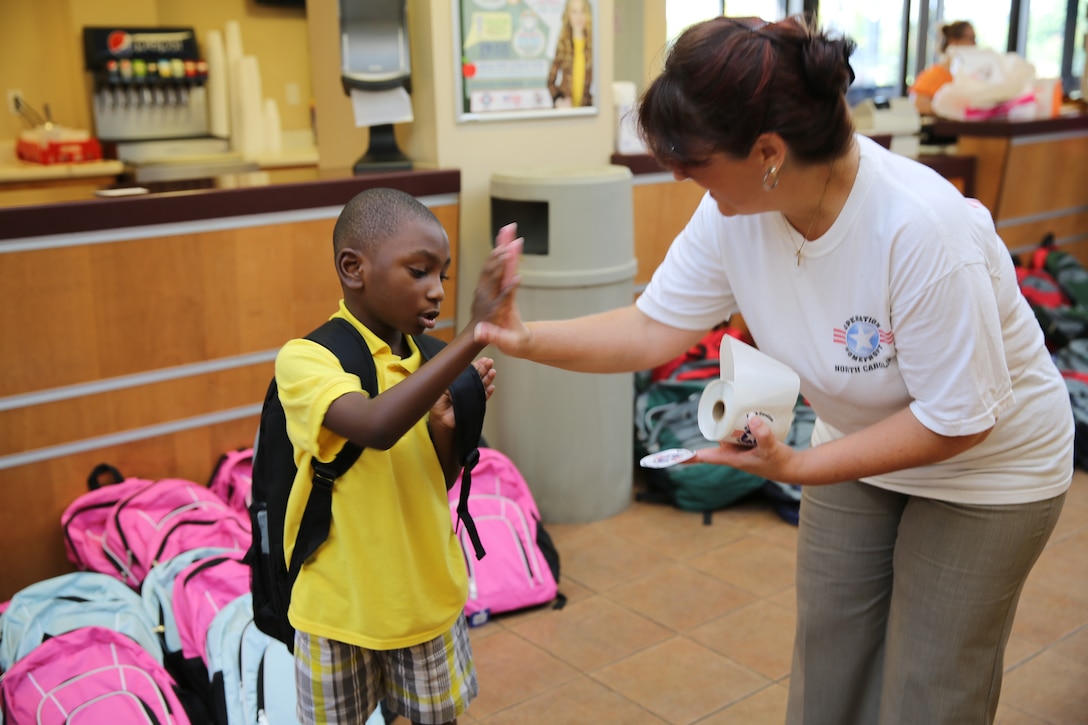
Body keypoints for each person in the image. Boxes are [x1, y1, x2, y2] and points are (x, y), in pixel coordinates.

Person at [476, 15, 1071, 725]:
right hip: (859, 440)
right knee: (829, 668)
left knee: (928, 688)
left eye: (691, 158)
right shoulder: (734, 212)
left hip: (988, 467)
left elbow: (956, 419)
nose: (678, 173)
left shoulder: (922, 229)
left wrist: (795, 468)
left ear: (768, 151)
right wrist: (523, 337)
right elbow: (650, 327)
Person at [279, 187, 520, 725]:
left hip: (424, 601)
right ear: (353, 268)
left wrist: (447, 426)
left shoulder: (433, 359)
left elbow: (441, 480)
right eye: (419, 272)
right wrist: (471, 337)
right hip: (337, 610)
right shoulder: (306, 359)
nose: (436, 292)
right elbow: (375, 427)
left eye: (444, 276)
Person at [910, 20, 977, 115]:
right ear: (954, 41)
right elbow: (917, 107)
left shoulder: (970, 75)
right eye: (970, 38)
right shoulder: (933, 75)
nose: (974, 44)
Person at [547, 0, 593, 108]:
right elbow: (550, 81)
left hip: (586, 110)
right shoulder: (563, 43)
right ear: (568, 14)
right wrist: (559, 100)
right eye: (574, 12)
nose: (579, 17)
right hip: (566, 110)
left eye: (582, 11)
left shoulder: (592, 45)